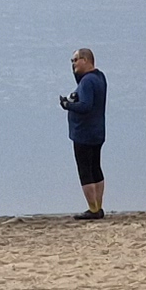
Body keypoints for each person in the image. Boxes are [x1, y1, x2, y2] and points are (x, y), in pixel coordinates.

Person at [60, 45, 108, 218]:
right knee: (95, 168)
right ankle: (98, 207)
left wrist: (68, 105)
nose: (73, 64)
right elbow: (81, 86)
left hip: (84, 134)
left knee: (85, 171)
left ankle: (93, 209)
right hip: (97, 132)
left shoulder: (87, 81)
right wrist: (75, 72)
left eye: (75, 60)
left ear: (85, 60)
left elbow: (86, 106)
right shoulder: (99, 77)